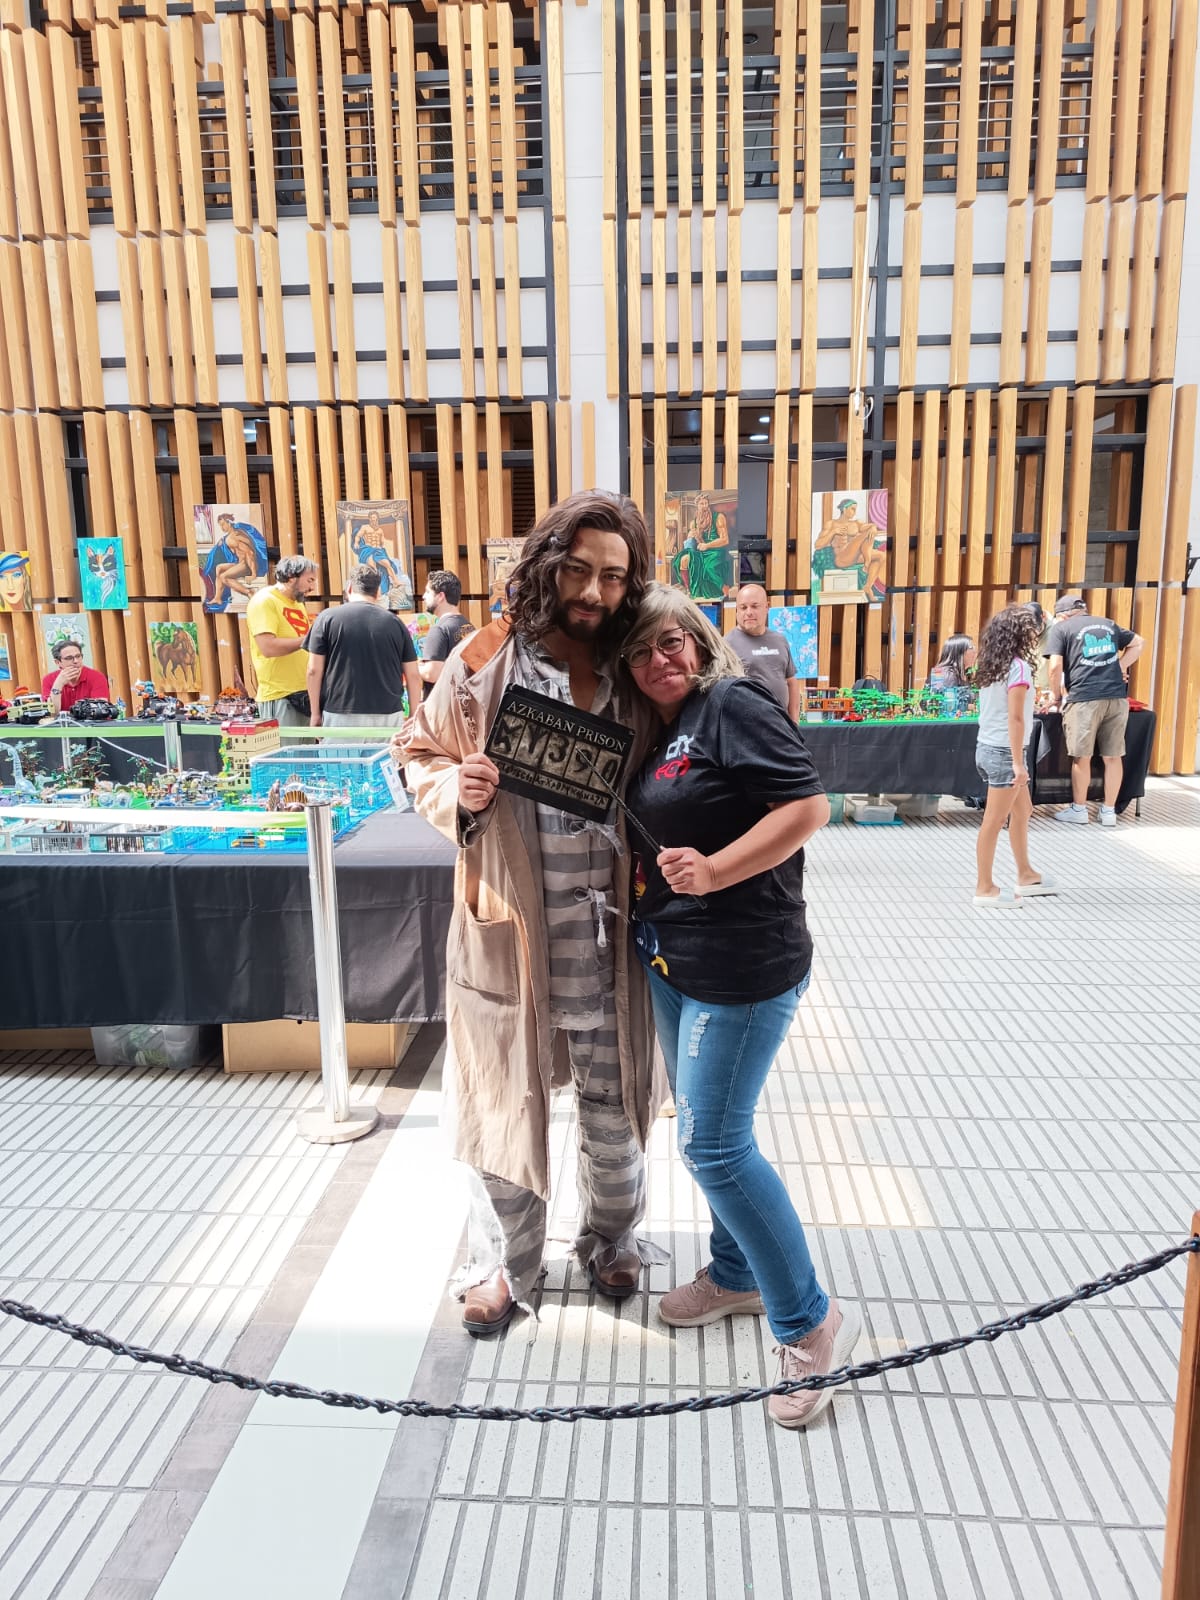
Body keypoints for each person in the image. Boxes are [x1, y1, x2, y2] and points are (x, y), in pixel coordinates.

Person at [402, 491, 663, 1337]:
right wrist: (457, 786)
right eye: (579, 570)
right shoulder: (484, 666)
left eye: (613, 577)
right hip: (510, 929)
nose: (593, 592)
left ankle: (613, 1236)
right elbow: (416, 752)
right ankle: (503, 1265)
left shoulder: (639, 667)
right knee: (504, 1105)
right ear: (548, 564)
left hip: (611, 941)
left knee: (615, 1110)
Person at [620, 583, 860, 1430]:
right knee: (710, 1129)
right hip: (671, 958)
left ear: (699, 640)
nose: (660, 659)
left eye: (672, 641)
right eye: (641, 650)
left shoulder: (732, 704)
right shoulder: (656, 727)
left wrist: (717, 870)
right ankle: (735, 1273)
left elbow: (808, 806)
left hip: (744, 966)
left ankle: (808, 1323)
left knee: (712, 1145)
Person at [971, 606, 1056, 907]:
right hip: (1005, 752)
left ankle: (1026, 873)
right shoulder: (1018, 668)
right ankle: (984, 887)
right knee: (993, 821)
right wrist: (1019, 764)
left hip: (988, 746)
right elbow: (1016, 718)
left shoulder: (991, 665)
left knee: (1023, 810)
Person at [1043, 593, 1143, 827]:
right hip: (1116, 697)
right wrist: (1119, 666)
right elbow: (1139, 642)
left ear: (1062, 615)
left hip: (1084, 698)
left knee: (1082, 757)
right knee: (1113, 756)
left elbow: (1055, 667)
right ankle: (1108, 812)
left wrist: (1056, 697)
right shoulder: (1108, 624)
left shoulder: (1061, 629)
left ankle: (1079, 809)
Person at [305, 565, 421, 728]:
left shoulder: (326, 618)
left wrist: (315, 714)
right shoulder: (395, 623)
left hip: (340, 713)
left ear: (349, 588)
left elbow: (313, 670)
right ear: (378, 592)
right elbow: (413, 675)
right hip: (388, 714)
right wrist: (413, 715)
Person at [245, 556, 319, 726]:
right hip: (280, 696)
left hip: (304, 695)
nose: (313, 587)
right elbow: (267, 647)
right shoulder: (264, 601)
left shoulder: (297, 604)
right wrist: (310, 640)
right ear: (291, 577)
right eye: (310, 580)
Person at [726, 584, 802, 720]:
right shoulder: (726, 645)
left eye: (754, 606)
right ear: (737, 610)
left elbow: (791, 682)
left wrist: (794, 722)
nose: (749, 612)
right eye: (743, 607)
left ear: (767, 607)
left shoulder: (780, 640)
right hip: (746, 726)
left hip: (781, 724)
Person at [812, 498, 887, 602]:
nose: (854, 512)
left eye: (855, 509)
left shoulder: (856, 523)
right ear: (844, 508)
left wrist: (873, 527)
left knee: (882, 556)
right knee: (865, 535)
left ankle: (868, 586)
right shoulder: (831, 524)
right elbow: (818, 545)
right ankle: (867, 562)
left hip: (857, 557)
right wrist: (833, 532)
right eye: (852, 509)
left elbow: (869, 527)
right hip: (842, 558)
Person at [419, 570, 475, 697]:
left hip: (443, 703)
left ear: (440, 596)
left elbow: (431, 674)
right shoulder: (469, 626)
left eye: (428, 592)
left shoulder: (439, 630)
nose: (423, 596)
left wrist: (414, 667)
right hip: (464, 700)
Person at [670, 493, 734, 600]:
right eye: (701, 504)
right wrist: (692, 536)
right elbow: (696, 543)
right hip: (701, 550)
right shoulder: (694, 523)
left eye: (706, 503)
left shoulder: (718, 517)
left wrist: (707, 545)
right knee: (684, 559)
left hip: (716, 550)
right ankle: (690, 591)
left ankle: (725, 591)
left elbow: (725, 540)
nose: (704, 506)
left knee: (709, 567)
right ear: (697, 506)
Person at [202, 513, 269, 612]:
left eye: (223, 524)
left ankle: (249, 592)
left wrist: (253, 574)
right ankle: (218, 598)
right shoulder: (230, 536)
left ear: (229, 523)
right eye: (220, 525)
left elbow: (250, 553)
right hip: (240, 563)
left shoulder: (237, 536)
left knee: (223, 577)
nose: (222, 528)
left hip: (246, 564)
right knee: (219, 568)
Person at [41, 640, 109, 713]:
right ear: (58, 662)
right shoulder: (48, 680)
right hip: (61, 720)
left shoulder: (97, 677)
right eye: (69, 658)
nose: (76, 661)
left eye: (78, 656)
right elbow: (53, 713)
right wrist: (59, 684)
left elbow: (100, 711)